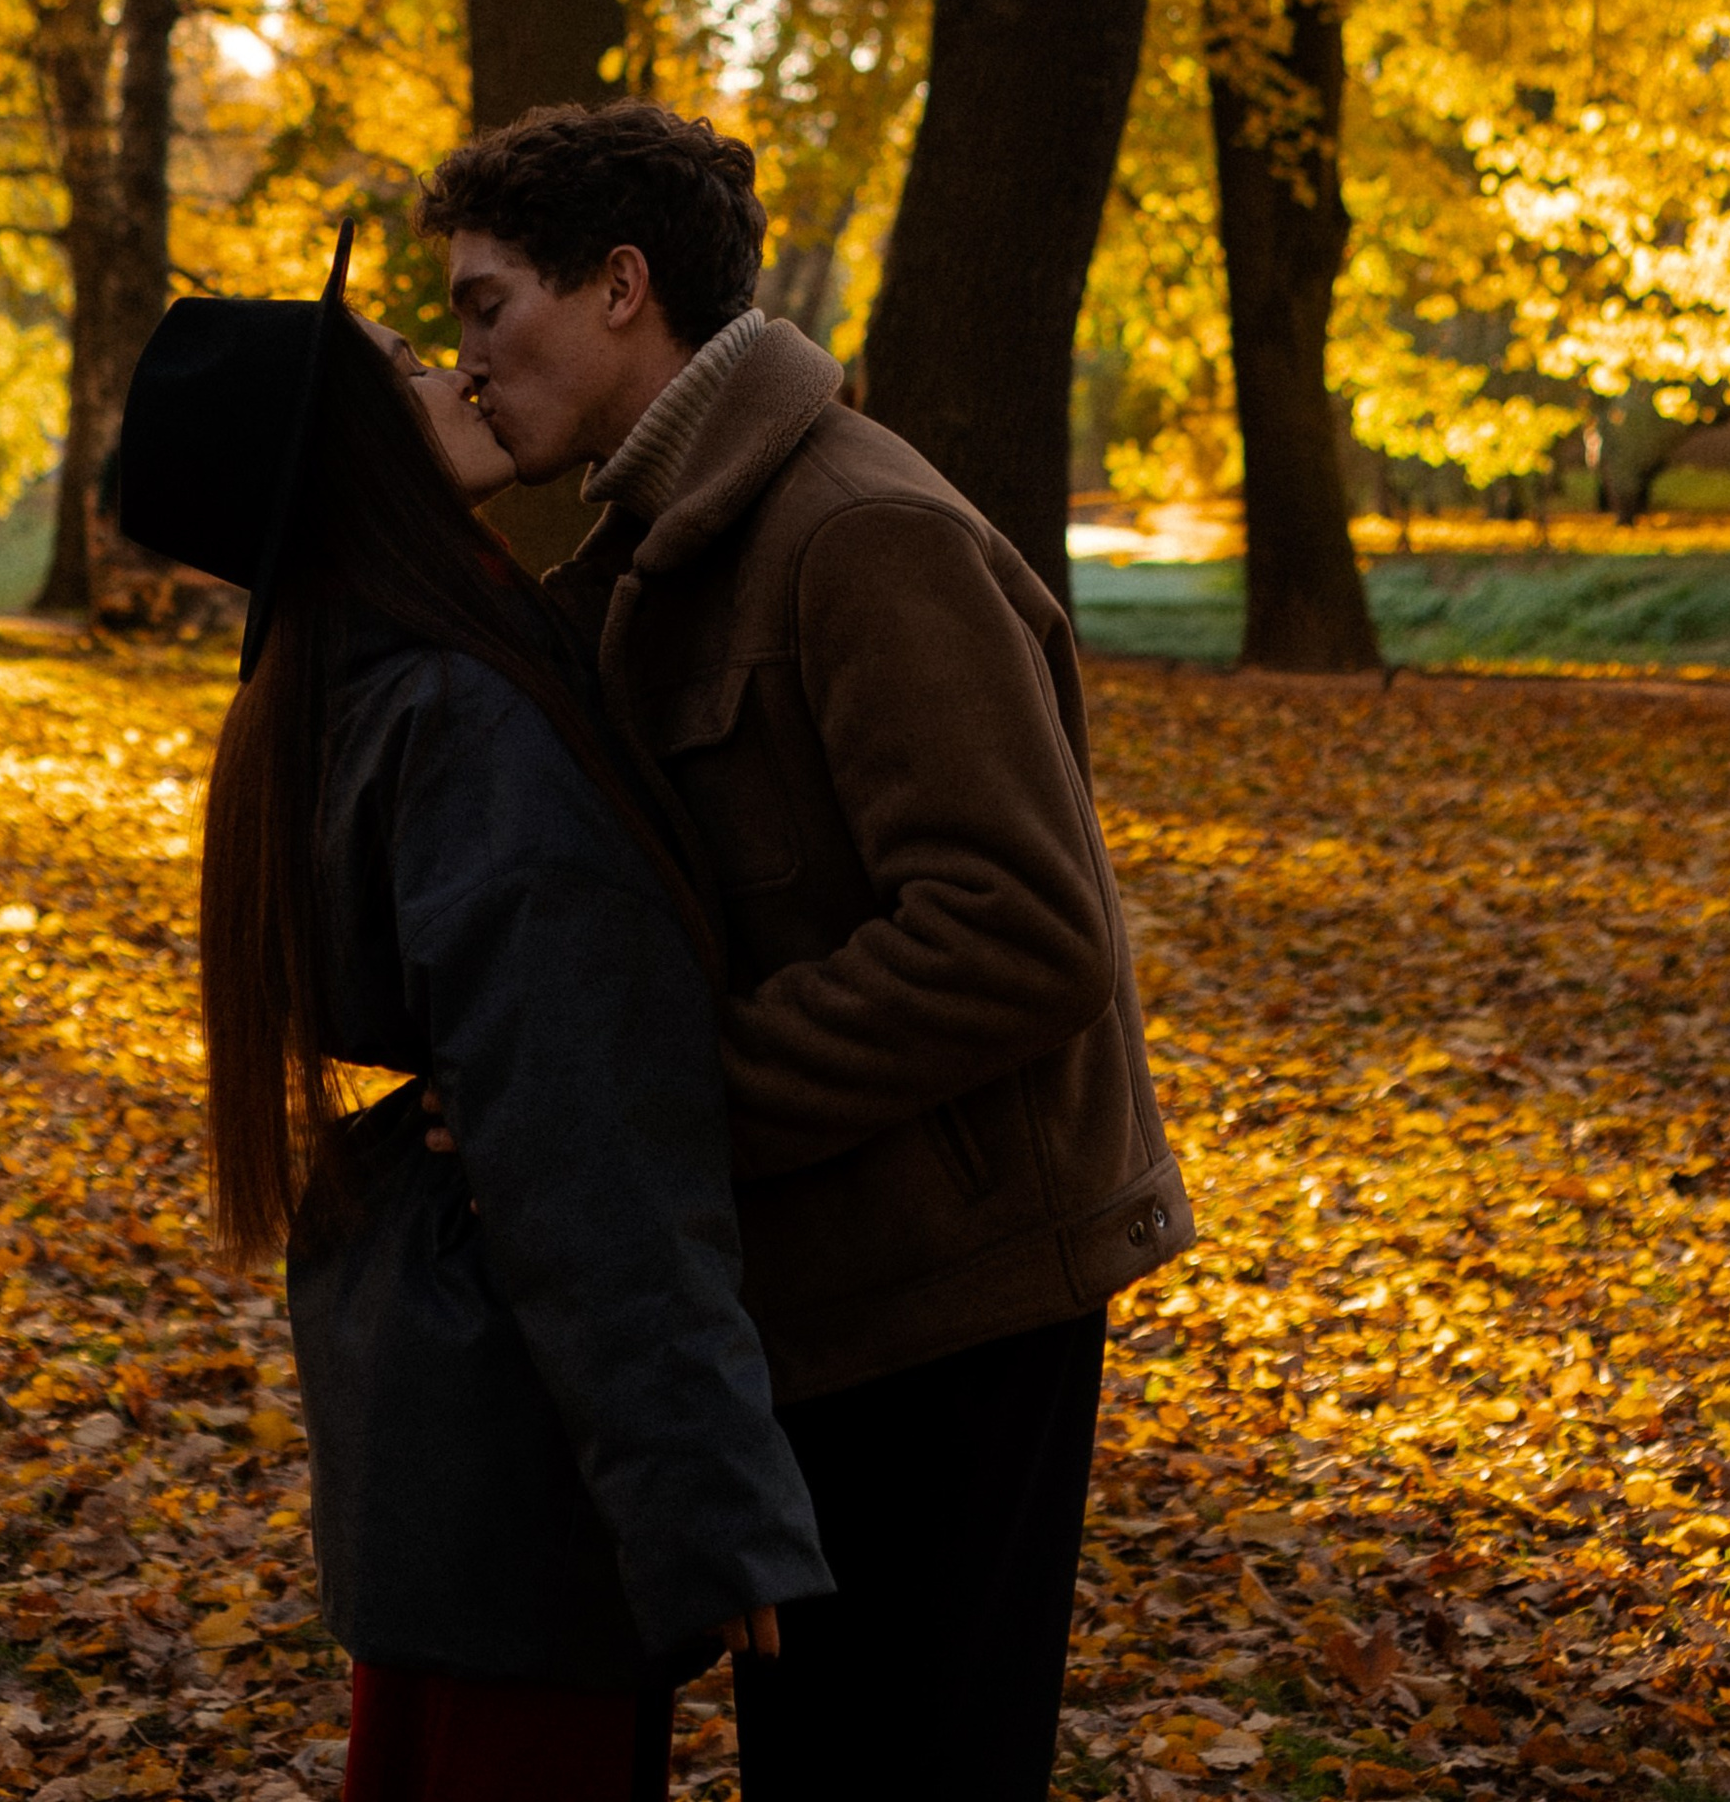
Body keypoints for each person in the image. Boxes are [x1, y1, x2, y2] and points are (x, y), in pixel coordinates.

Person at [417, 103, 1195, 1802]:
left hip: (960, 1301)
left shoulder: (855, 534)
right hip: (829, 1282)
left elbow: (1022, 931)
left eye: (486, 309)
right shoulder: (654, 544)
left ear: (620, 287)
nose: (462, 364)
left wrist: (656, 1107)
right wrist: (433, 529)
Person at [116, 225, 828, 1802]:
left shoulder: (358, 681)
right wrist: (711, 1512)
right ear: (349, 449)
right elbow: (588, 1149)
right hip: (513, 1440)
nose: (446, 367)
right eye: (394, 363)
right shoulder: (459, 714)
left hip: (449, 1419)